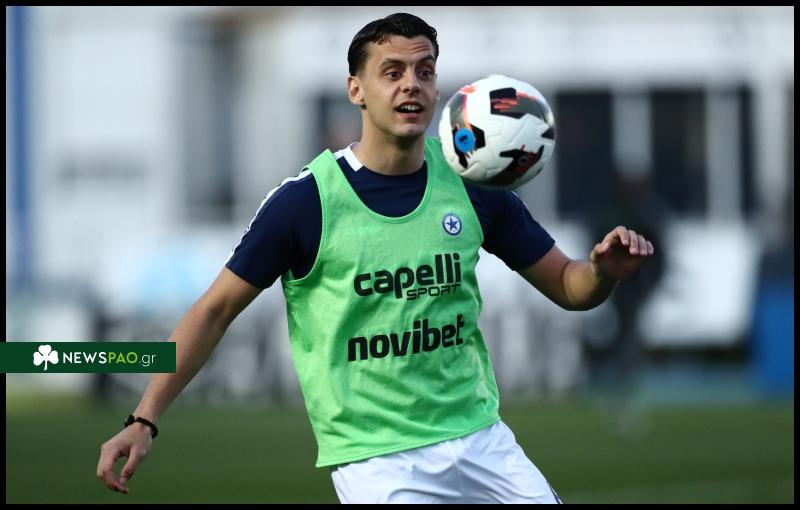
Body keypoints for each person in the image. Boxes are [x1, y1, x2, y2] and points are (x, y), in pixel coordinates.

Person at [96, 13, 654, 503]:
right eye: (392, 72)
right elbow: (214, 310)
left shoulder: (473, 185)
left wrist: (602, 273)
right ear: (356, 89)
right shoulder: (305, 204)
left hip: (483, 438)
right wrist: (144, 418)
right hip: (378, 461)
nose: (412, 84)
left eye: (425, 71)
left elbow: (570, 286)